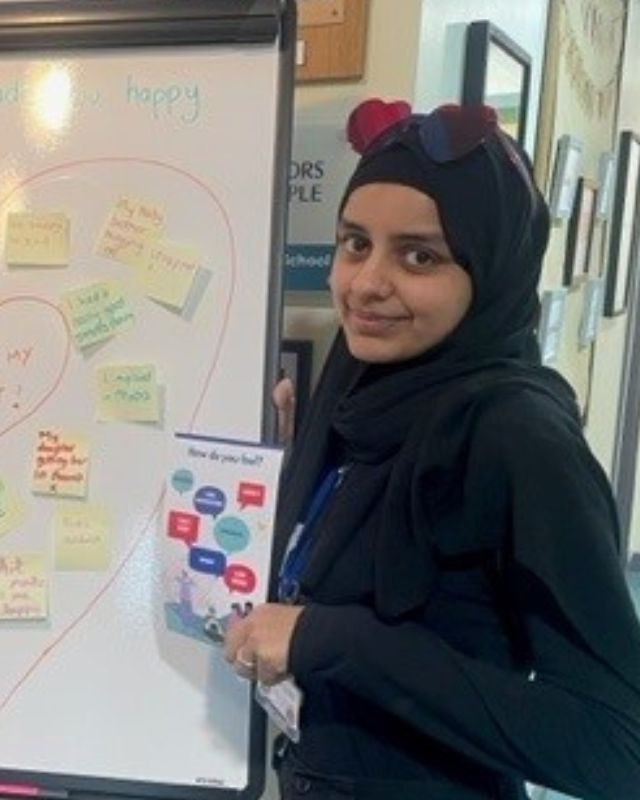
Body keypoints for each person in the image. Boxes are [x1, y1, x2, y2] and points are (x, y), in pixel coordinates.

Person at [224, 98, 640, 799]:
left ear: (492, 270)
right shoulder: (359, 381)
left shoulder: (518, 436)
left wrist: (328, 641)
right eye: (355, 243)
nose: (366, 284)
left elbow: (615, 746)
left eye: (419, 255)